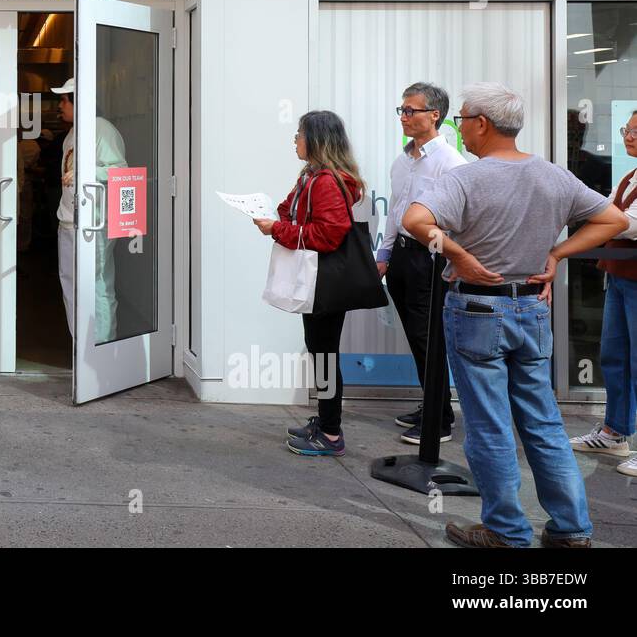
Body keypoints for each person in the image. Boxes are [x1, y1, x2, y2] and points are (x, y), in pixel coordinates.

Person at [402, 82, 627, 548]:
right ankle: (570, 529)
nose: (459, 127)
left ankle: (506, 530)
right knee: (544, 423)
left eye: (462, 119)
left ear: (481, 124)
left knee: (489, 425)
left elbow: (415, 222)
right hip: (531, 307)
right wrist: (558, 253)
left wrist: (457, 256)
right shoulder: (552, 175)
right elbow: (614, 221)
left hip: (477, 309)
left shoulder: (466, 177)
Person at [256, 110, 365, 457]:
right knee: (319, 349)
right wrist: (283, 219)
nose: (295, 140)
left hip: (325, 281)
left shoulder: (327, 181)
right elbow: (287, 207)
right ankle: (325, 419)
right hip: (317, 279)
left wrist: (278, 230)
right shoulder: (311, 176)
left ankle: (331, 434)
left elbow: (329, 234)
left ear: (316, 139)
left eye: (300, 134)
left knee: (325, 354)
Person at [376, 82, 466, 444]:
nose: (404, 117)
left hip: (430, 257)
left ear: (435, 115)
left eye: (411, 110)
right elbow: (396, 211)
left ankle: (439, 420)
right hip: (402, 255)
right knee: (417, 338)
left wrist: (451, 258)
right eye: (402, 110)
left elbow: (458, 218)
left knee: (430, 339)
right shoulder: (403, 161)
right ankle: (433, 402)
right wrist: (384, 254)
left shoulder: (450, 163)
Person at [569, 108, 637, 476]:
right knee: (614, 355)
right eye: (627, 129)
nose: (628, 136)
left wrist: (606, 218)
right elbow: (611, 212)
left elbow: (625, 223)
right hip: (620, 275)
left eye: (635, 132)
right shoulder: (629, 175)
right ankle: (615, 431)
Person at [53, 78, 127, 342]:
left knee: (98, 286)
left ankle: (103, 346)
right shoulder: (72, 134)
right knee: (71, 284)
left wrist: (86, 172)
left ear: (78, 100)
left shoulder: (102, 129)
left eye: (64, 99)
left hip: (94, 223)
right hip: (69, 220)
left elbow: (120, 170)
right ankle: (80, 345)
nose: (59, 105)